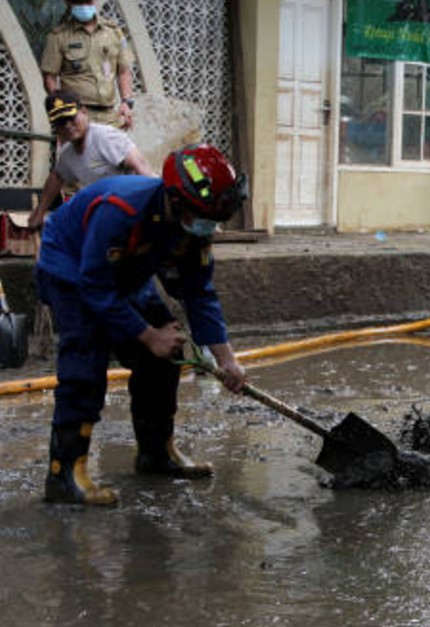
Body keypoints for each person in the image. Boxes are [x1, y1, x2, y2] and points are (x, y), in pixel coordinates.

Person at [35, 144, 248, 505]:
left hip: (127, 273)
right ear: (176, 202)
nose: (208, 227)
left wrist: (226, 359)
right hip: (72, 270)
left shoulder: (191, 227)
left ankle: (155, 454)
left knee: (169, 354)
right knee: (85, 364)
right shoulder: (121, 211)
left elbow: (198, 292)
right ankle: (64, 475)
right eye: (204, 217)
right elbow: (95, 285)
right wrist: (147, 335)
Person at [27, 91, 154, 231]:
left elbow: (140, 164)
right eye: (61, 122)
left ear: (84, 112)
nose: (68, 126)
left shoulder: (105, 137)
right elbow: (56, 177)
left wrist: (155, 202)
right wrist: (39, 212)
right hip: (104, 210)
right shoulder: (67, 153)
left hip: (132, 205)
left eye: (72, 118)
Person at [40, 0, 136, 130]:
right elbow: (49, 77)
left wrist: (126, 103)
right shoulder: (58, 36)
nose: (84, 6)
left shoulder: (113, 32)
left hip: (109, 115)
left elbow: (124, 71)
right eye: (79, 2)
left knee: (113, 149)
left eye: (87, 1)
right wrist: (63, 109)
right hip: (77, 114)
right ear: (70, 4)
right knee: (81, 149)